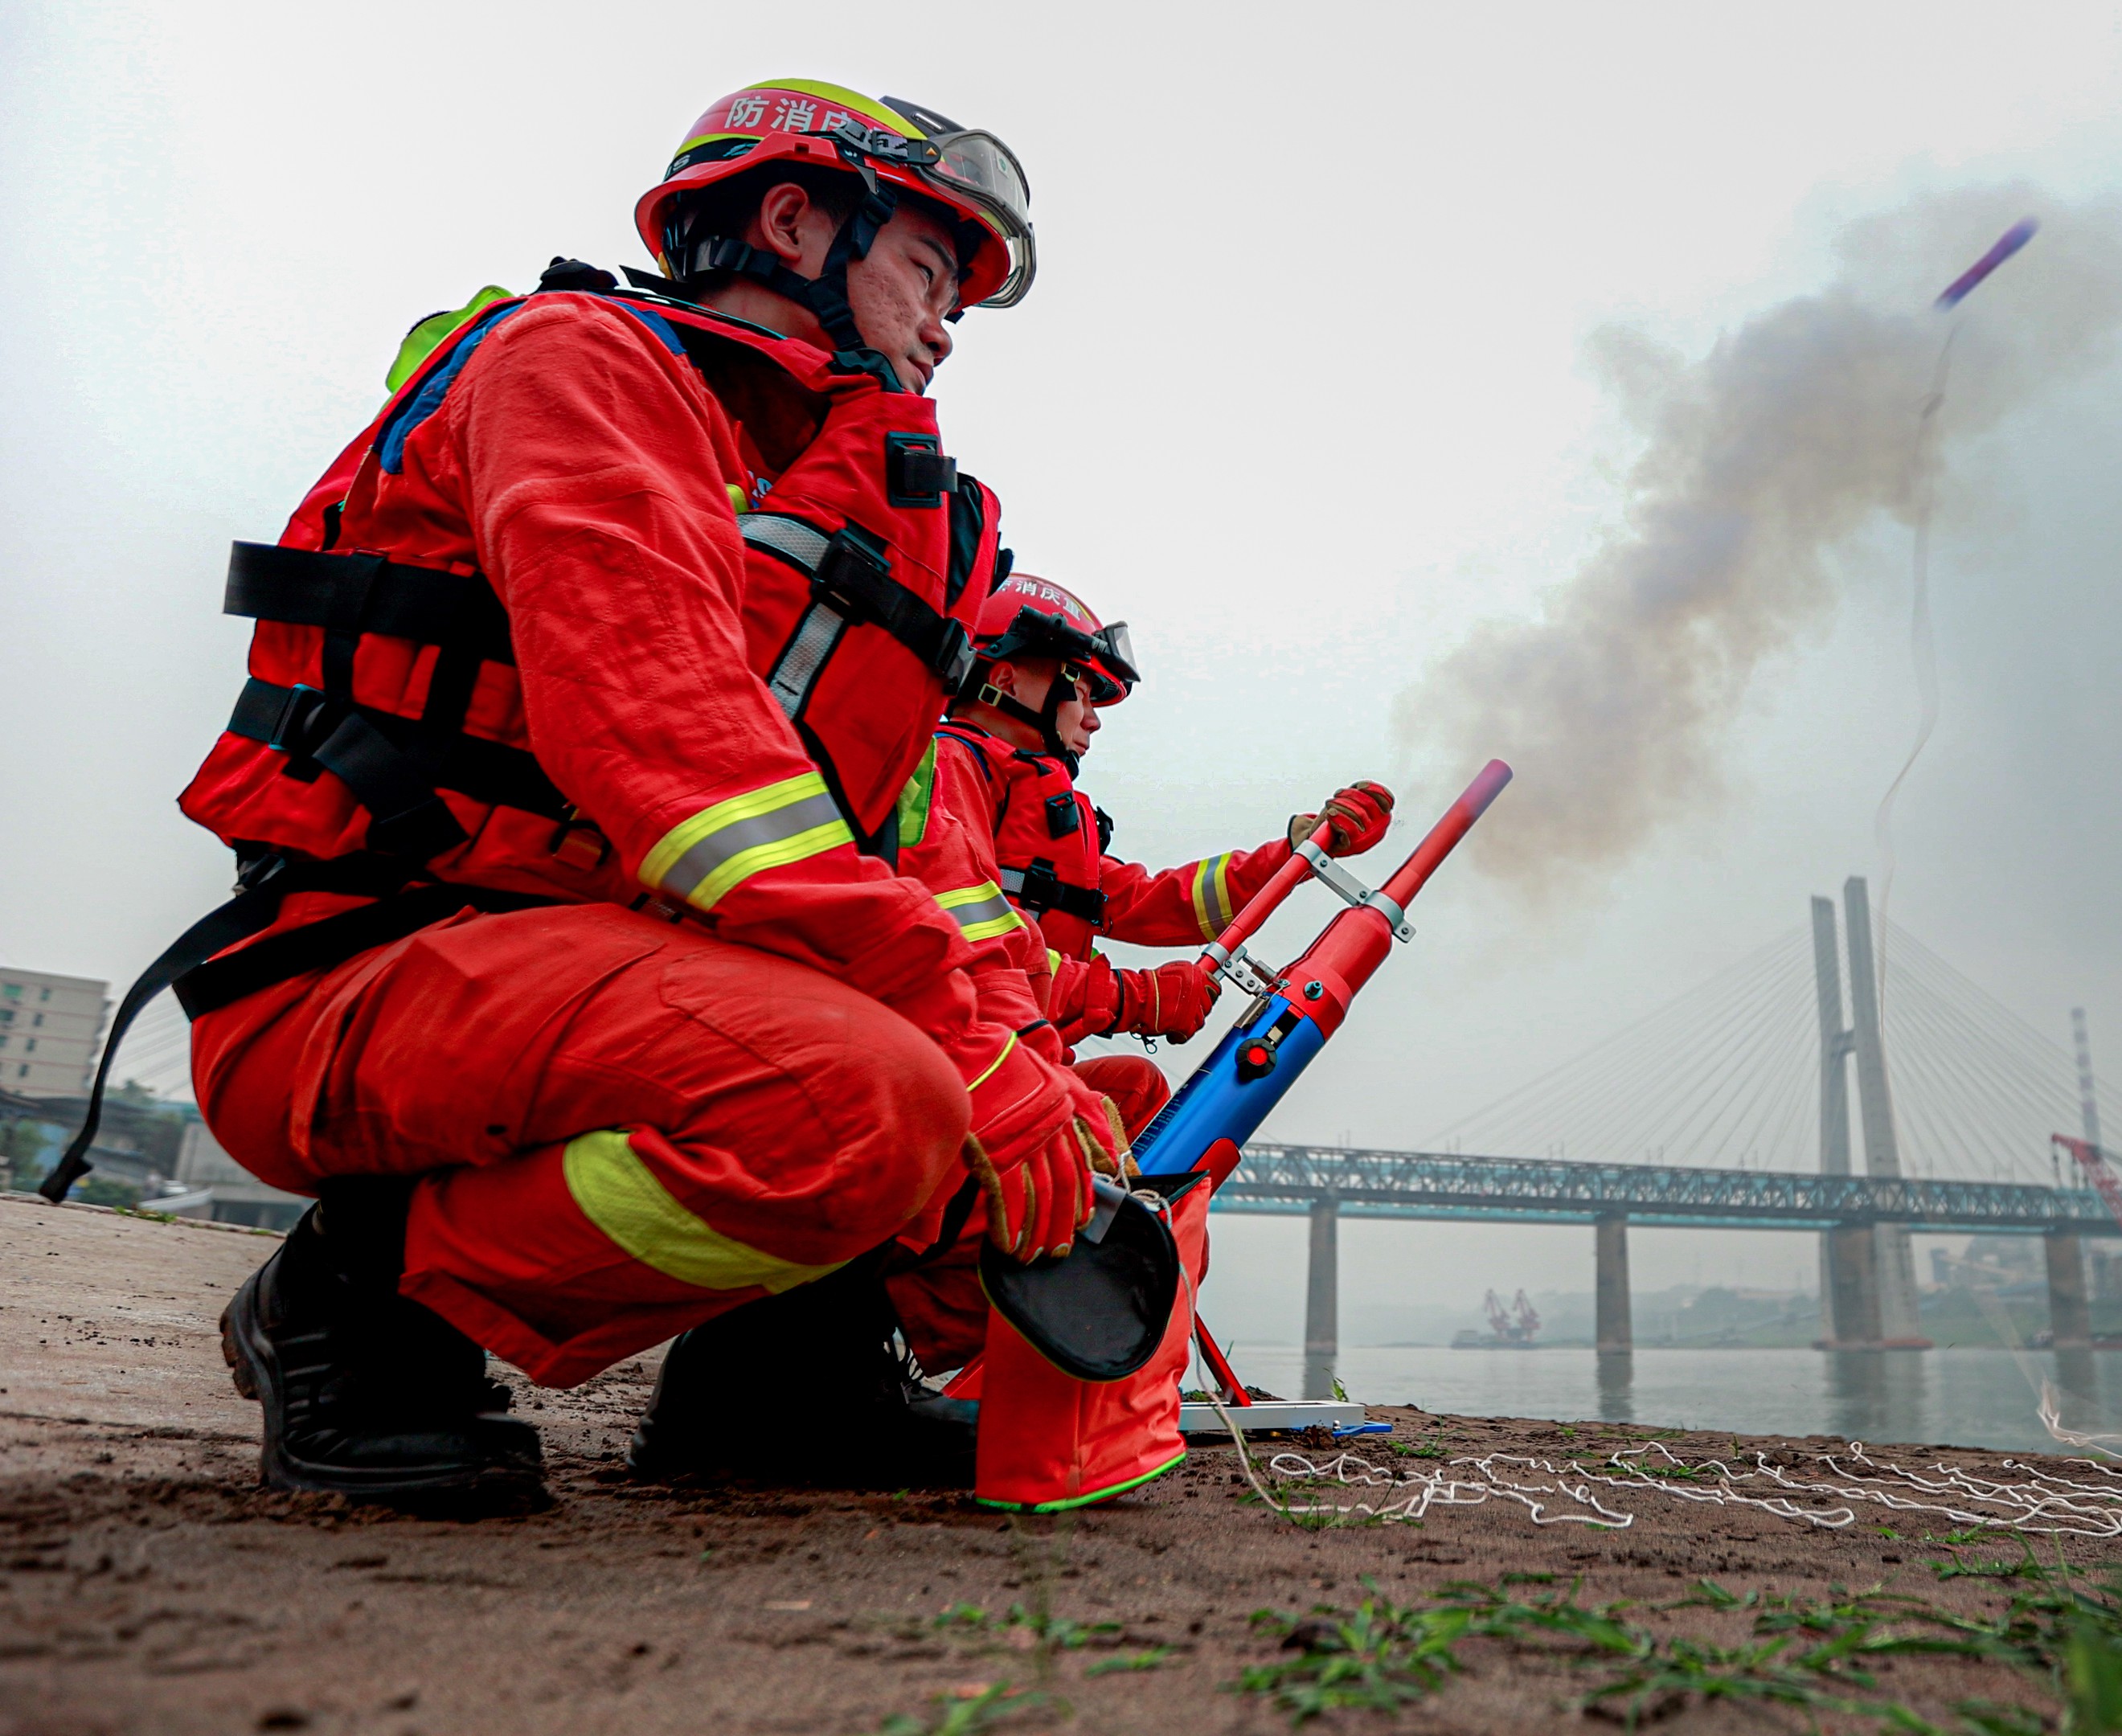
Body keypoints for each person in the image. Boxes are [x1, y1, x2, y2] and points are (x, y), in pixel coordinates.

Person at [125, 80, 1116, 1512]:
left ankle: (779, 1382)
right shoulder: (578, 366)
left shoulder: (860, 527)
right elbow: (673, 746)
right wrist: (962, 1050)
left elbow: (908, 850)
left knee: (1020, 1112)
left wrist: (1022, 1058)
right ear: (791, 221)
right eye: (928, 263)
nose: (950, 317)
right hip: (376, 967)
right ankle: (362, 1303)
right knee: (870, 1103)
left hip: (598, 985)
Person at [935, 571, 1395, 1132]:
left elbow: (1151, 901)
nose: (1094, 718)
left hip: (1009, 1056)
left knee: (1135, 1086)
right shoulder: (951, 769)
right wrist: (1133, 996)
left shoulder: (1022, 797)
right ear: (1004, 678)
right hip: (963, 1063)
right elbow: (970, 958)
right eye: (1079, 688)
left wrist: (1291, 855)